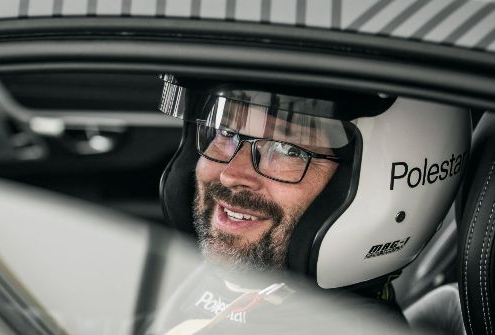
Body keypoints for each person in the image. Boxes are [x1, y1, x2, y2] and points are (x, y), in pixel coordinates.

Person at [151, 74, 471, 334]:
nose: (231, 174)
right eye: (226, 131)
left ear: (386, 181)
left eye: (288, 148)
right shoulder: (235, 287)